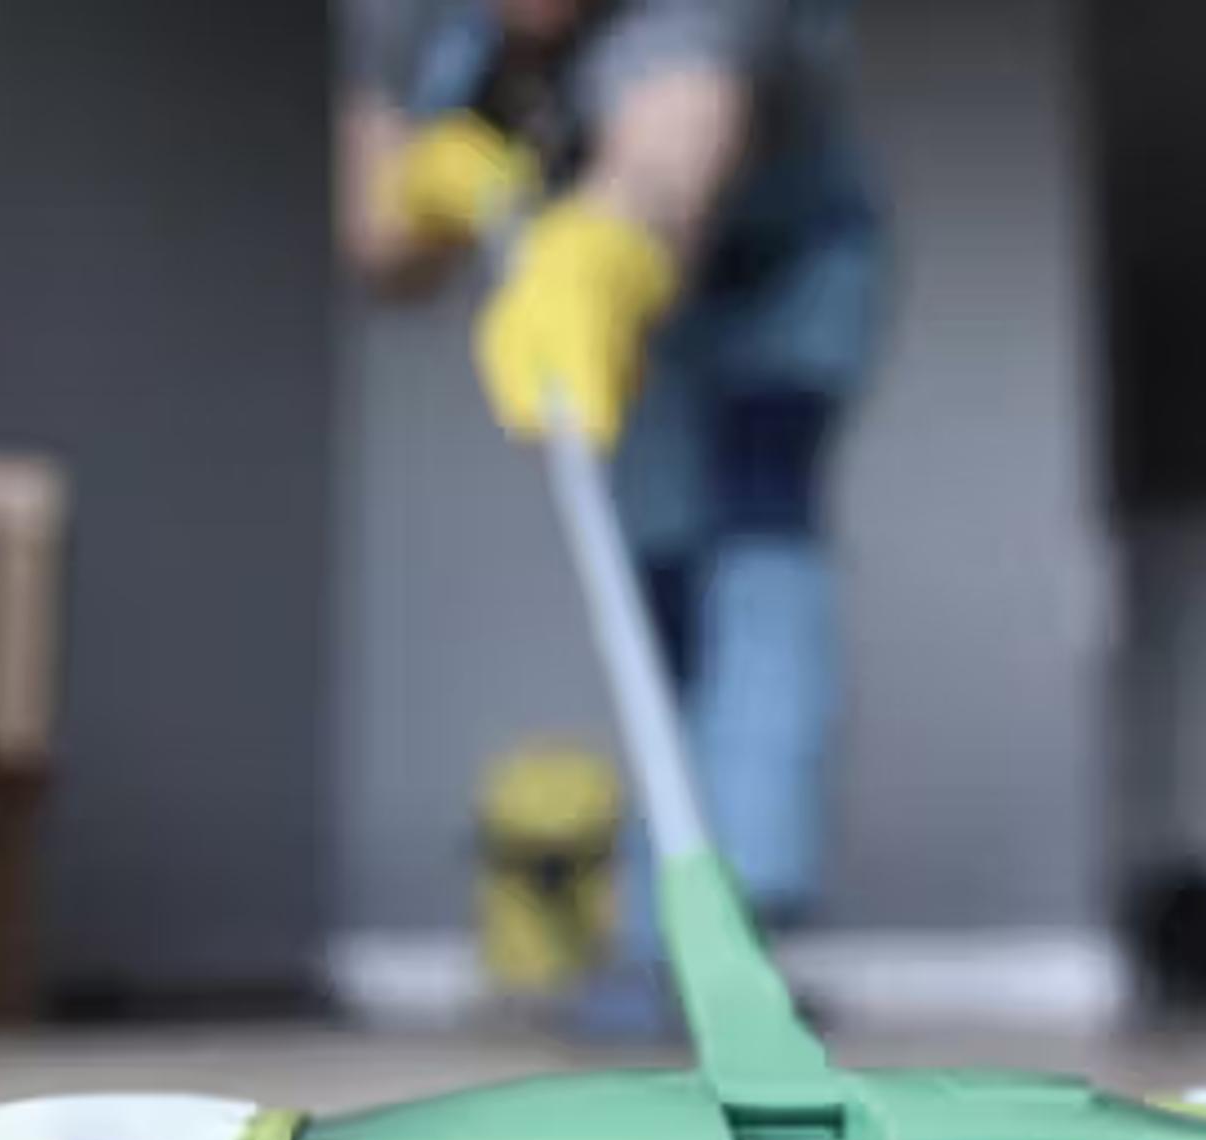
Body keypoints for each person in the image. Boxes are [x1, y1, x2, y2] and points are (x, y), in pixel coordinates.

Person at [338, 0, 883, 1035]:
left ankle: (743, 924)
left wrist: (605, 245)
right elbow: (376, 243)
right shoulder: (399, 15)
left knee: (756, 535)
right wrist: (423, 192)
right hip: (631, 305)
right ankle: (662, 935)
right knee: (657, 579)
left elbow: (669, 158)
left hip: (777, 271)